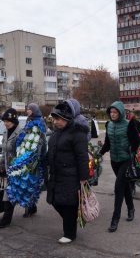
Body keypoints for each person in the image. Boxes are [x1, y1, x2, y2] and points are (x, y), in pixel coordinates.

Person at [46, 103, 90, 244]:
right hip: (56, 174)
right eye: (54, 119)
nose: (56, 122)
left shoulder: (77, 133)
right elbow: (51, 150)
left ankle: (70, 233)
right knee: (55, 201)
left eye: (58, 119)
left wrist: (84, 178)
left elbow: (82, 157)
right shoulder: (57, 132)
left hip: (71, 175)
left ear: (67, 118)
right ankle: (70, 224)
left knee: (69, 205)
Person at [97, 101, 140, 232]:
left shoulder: (129, 124)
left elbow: (136, 141)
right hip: (114, 160)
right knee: (125, 185)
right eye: (111, 112)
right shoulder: (109, 125)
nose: (113, 114)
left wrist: (131, 149)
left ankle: (115, 219)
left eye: (115, 112)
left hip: (126, 160)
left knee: (118, 188)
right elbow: (107, 143)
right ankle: (131, 208)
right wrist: (100, 153)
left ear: (121, 113)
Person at [0, 108, 23, 228]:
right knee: (17, 191)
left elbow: (22, 153)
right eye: (4, 121)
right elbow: (4, 152)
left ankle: (6, 219)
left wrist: (17, 168)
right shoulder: (5, 132)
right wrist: (1, 165)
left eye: (8, 121)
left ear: (14, 121)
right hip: (7, 167)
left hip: (17, 168)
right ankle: (32, 207)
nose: (5, 124)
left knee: (10, 192)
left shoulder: (21, 133)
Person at [24, 103, 46, 216]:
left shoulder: (40, 122)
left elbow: (41, 140)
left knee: (33, 182)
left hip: (36, 157)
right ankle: (30, 206)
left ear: (33, 110)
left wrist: (39, 156)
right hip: (27, 156)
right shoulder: (28, 120)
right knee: (27, 182)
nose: (27, 110)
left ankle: (31, 206)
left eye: (28, 109)